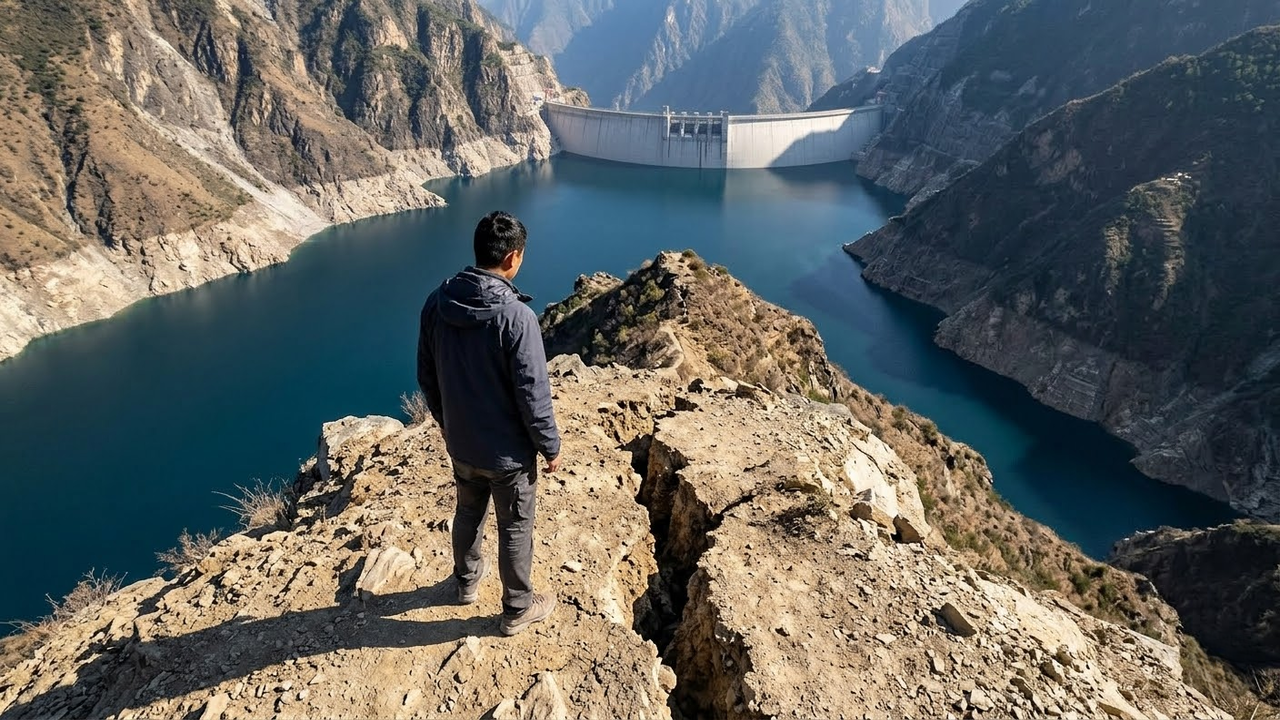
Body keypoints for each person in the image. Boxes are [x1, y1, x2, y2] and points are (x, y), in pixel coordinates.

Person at [416, 210, 561, 636]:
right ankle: (517, 608)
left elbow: (426, 375)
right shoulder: (517, 318)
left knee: (467, 512)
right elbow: (533, 394)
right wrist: (549, 446)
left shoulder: (436, 303)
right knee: (515, 526)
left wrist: (446, 423)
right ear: (513, 257)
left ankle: (464, 584)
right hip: (508, 455)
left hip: (461, 444)